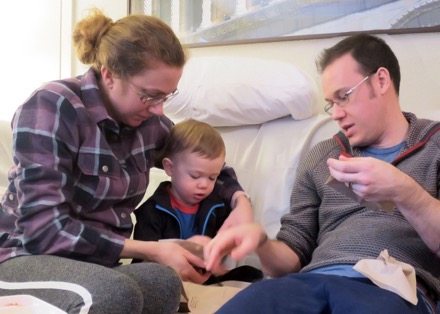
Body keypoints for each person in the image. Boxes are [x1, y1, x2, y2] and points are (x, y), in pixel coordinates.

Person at [0, 9, 252, 314]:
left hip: (94, 264)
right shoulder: (53, 105)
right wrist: (153, 249)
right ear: (109, 74)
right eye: (150, 96)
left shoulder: (149, 124)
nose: (159, 110)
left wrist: (241, 204)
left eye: (166, 97)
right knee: (116, 292)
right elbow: (44, 230)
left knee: (163, 282)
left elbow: (201, 163)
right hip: (23, 256)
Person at [203, 33, 440, 314]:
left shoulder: (434, 144)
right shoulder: (321, 156)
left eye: (344, 97)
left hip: (391, 289)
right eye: (331, 103)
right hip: (311, 283)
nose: (336, 114)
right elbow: (294, 251)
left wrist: (404, 191)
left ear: (381, 81)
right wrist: (263, 243)